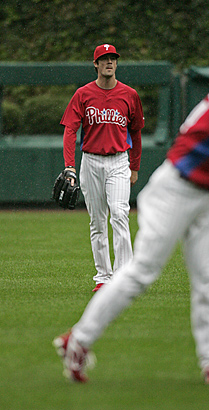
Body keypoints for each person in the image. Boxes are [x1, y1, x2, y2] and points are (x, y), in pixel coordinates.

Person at [53, 39, 209, 384]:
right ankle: (77, 340)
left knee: (205, 280)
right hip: (176, 189)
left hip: (206, 195)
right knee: (141, 272)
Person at [60, 44, 144, 292]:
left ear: (117, 63)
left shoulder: (129, 95)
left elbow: (136, 133)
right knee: (97, 221)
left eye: (113, 58)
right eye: (104, 59)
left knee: (119, 214)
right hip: (91, 161)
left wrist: (135, 166)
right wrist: (69, 167)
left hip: (119, 161)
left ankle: (123, 276)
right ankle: (103, 277)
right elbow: (70, 131)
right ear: (95, 64)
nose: (109, 62)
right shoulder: (83, 94)